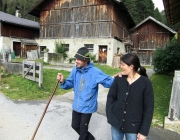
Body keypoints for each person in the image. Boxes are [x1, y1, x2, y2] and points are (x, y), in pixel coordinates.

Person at [57, 47, 114, 140]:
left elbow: (108, 82)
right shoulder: (75, 70)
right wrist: (63, 81)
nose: (76, 61)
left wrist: (118, 79)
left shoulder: (95, 72)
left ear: (85, 60)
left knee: (83, 132)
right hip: (77, 104)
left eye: (79, 59)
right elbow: (70, 83)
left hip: (88, 106)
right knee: (75, 126)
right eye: (76, 59)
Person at [106, 53, 154, 140]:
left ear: (131, 66)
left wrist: (144, 131)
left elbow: (149, 109)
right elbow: (110, 98)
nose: (120, 67)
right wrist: (110, 115)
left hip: (134, 126)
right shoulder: (119, 79)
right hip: (116, 123)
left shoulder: (145, 83)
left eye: (123, 64)